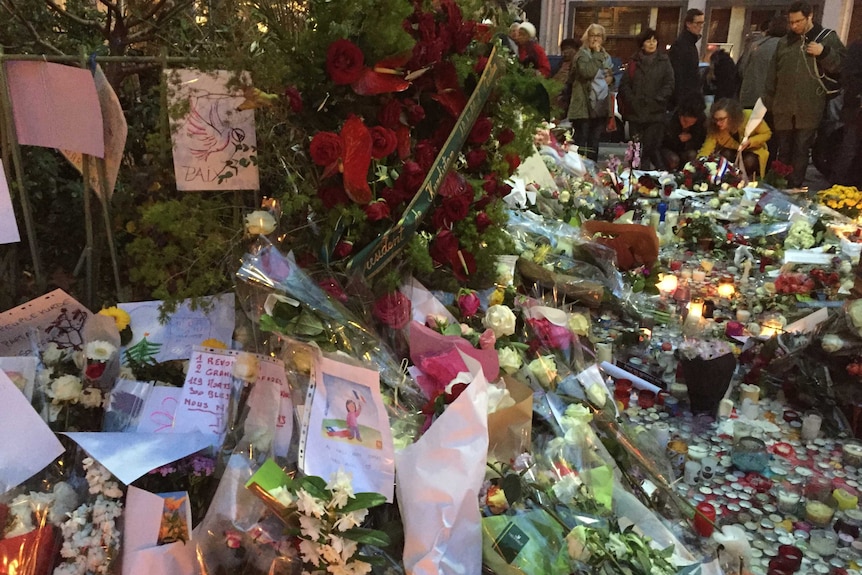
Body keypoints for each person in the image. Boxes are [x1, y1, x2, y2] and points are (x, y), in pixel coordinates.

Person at [764, 1, 846, 188]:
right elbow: (772, 73)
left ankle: (794, 187)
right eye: (791, 22)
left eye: (798, 21)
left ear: (810, 17)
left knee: (801, 150)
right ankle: (778, 185)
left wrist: (824, 52)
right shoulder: (784, 42)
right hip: (783, 107)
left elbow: (843, 66)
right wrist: (768, 102)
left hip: (809, 106)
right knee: (782, 150)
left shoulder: (826, 38)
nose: (794, 26)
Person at [618, 28, 675, 170]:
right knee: (635, 149)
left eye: (654, 40)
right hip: (635, 112)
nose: (651, 43)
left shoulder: (664, 61)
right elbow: (624, 85)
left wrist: (658, 99)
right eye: (648, 40)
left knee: (650, 148)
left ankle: (648, 177)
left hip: (655, 112)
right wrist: (632, 100)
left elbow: (669, 83)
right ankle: (634, 178)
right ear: (642, 43)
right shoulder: (634, 62)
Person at [566, 23, 615, 162]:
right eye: (592, 35)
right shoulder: (581, 55)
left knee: (594, 143)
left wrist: (610, 80)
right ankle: (579, 173)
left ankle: (592, 174)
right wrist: (597, 55)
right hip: (583, 108)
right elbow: (587, 72)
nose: (595, 38)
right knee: (581, 143)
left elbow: (609, 76)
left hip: (599, 106)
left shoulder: (606, 57)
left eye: (598, 35)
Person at [699, 97, 772, 178]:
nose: (718, 123)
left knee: (749, 161)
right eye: (716, 119)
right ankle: (727, 180)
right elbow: (707, 148)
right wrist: (698, 164)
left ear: (732, 116)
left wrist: (750, 141)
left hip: (753, 150)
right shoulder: (715, 128)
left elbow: (767, 133)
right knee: (724, 156)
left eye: (721, 119)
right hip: (732, 153)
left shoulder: (749, 116)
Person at [738, 16, 786, 108]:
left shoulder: (755, 45)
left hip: (750, 97)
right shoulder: (785, 47)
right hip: (772, 101)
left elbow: (742, 69)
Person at [832, 39, 862, 186]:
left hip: (854, 106)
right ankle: (839, 187)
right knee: (850, 148)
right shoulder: (857, 48)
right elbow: (850, 76)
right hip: (856, 107)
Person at [668, 9, 705, 110]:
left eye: (702, 23)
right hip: (684, 103)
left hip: (688, 101)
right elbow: (678, 76)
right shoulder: (681, 46)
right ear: (688, 24)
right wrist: (682, 103)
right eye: (698, 23)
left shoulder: (690, 44)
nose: (701, 26)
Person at [662, 93, 708, 170]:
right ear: (680, 115)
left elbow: (701, 140)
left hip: (687, 151)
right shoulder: (669, 120)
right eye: (685, 121)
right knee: (673, 159)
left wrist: (691, 137)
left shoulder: (701, 121)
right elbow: (661, 144)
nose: (686, 125)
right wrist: (677, 138)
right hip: (669, 149)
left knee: (693, 155)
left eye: (691, 123)